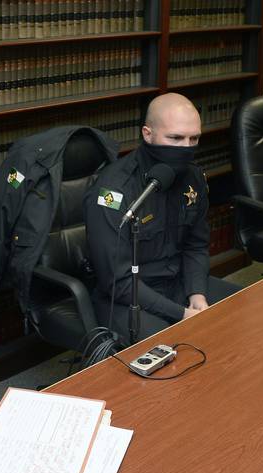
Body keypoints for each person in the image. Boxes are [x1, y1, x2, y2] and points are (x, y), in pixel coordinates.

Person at [83, 93, 241, 343]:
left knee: (243, 313)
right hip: (129, 297)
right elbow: (118, 281)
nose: (186, 148)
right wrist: (181, 314)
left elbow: (196, 244)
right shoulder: (115, 190)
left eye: (194, 139)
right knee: (173, 349)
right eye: (176, 138)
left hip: (177, 284)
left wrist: (197, 294)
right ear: (148, 134)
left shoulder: (193, 177)